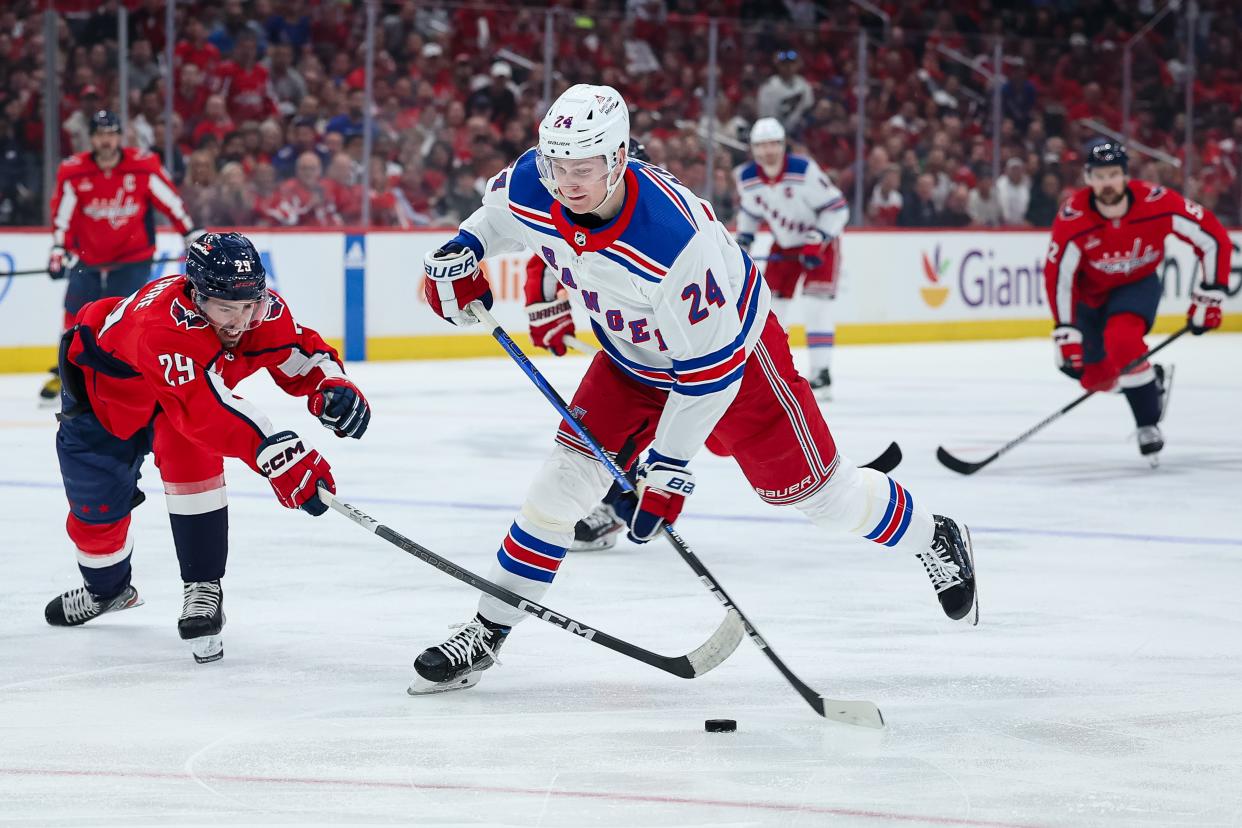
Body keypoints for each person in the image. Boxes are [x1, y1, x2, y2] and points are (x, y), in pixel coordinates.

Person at [414, 84, 979, 695]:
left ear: (619, 157)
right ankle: (486, 630)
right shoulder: (535, 180)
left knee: (821, 500)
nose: (568, 182)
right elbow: (497, 217)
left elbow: (710, 375)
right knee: (557, 492)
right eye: (558, 165)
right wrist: (462, 251)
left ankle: (935, 534)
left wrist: (669, 467)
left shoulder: (675, 242)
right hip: (631, 362)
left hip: (738, 366)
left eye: (585, 167)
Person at [44, 232, 369, 663]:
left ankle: (202, 586)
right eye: (225, 309)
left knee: (192, 453)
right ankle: (108, 589)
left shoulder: (259, 312)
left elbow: (298, 354)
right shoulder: (162, 328)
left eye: (249, 305)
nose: (239, 322)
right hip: (106, 401)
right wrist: (273, 451)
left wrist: (331, 386)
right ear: (196, 295)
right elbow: (206, 411)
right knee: (95, 512)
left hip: (178, 405)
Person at [1044, 140, 1230, 462]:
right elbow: (1058, 276)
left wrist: (1211, 295)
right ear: (1088, 178)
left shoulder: (1157, 202)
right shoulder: (1073, 217)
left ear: (1126, 176)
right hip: (1088, 299)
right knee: (1093, 377)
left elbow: (1212, 236)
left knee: (1123, 341)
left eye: (1114, 174)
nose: (1107, 183)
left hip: (1136, 285)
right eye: (1100, 176)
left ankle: (1148, 425)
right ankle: (1147, 379)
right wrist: (1065, 331)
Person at [42, 110, 204, 403]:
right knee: (75, 314)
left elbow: (170, 201)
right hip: (88, 258)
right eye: (101, 134)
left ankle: (125, 374)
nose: (106, 140)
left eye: (112, 133)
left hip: (132, 258)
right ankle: (66, 371)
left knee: (124, 317)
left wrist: (189, 232)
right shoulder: (74, 171)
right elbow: (62, 214)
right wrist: (58, 248)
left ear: (120, 136)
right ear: (91, 138)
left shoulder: (142, 166)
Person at [733, 117, 849, 395]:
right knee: (769, 310)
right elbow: (750, 213)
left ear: (783, 145)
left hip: (819, 245)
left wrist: (819, 237)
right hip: (784, 246)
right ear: (753, 149)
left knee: (815, 305)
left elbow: (837, 208)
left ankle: (821, 372)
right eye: (761, 146)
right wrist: (743, 241)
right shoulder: (746, 178)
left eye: (773, 144)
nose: (767, 151)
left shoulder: (804, 170)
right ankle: (770, 370)